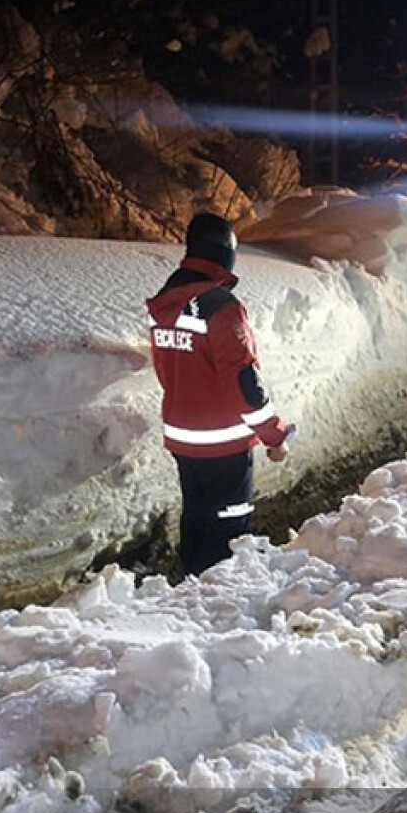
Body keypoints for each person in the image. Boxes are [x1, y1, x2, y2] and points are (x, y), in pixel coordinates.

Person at [146, 213, 292, 577]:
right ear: (227, 255)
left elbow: (170, 370)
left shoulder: (166, 305)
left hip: (183, 438)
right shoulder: (220, 306)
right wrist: (274, 436)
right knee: (229, 524)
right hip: (223, 446)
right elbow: (244, 382)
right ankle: (221, 602)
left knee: (197, 517)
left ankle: (191, 590)